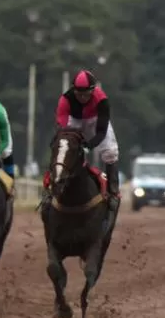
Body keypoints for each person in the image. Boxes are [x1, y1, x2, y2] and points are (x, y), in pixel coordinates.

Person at [44, 68, 120, 211]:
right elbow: (62, 127)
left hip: (95, 121)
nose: (82, 98)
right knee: (62, 147)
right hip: (75, 121)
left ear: (93, 90)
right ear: (74, 91)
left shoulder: (102, 100)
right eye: (79, 94)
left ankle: (113, 192)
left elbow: (101, 132)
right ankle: (50, 187)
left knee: (111, 152)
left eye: (86, 94)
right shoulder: (65, 99)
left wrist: (88, 146)